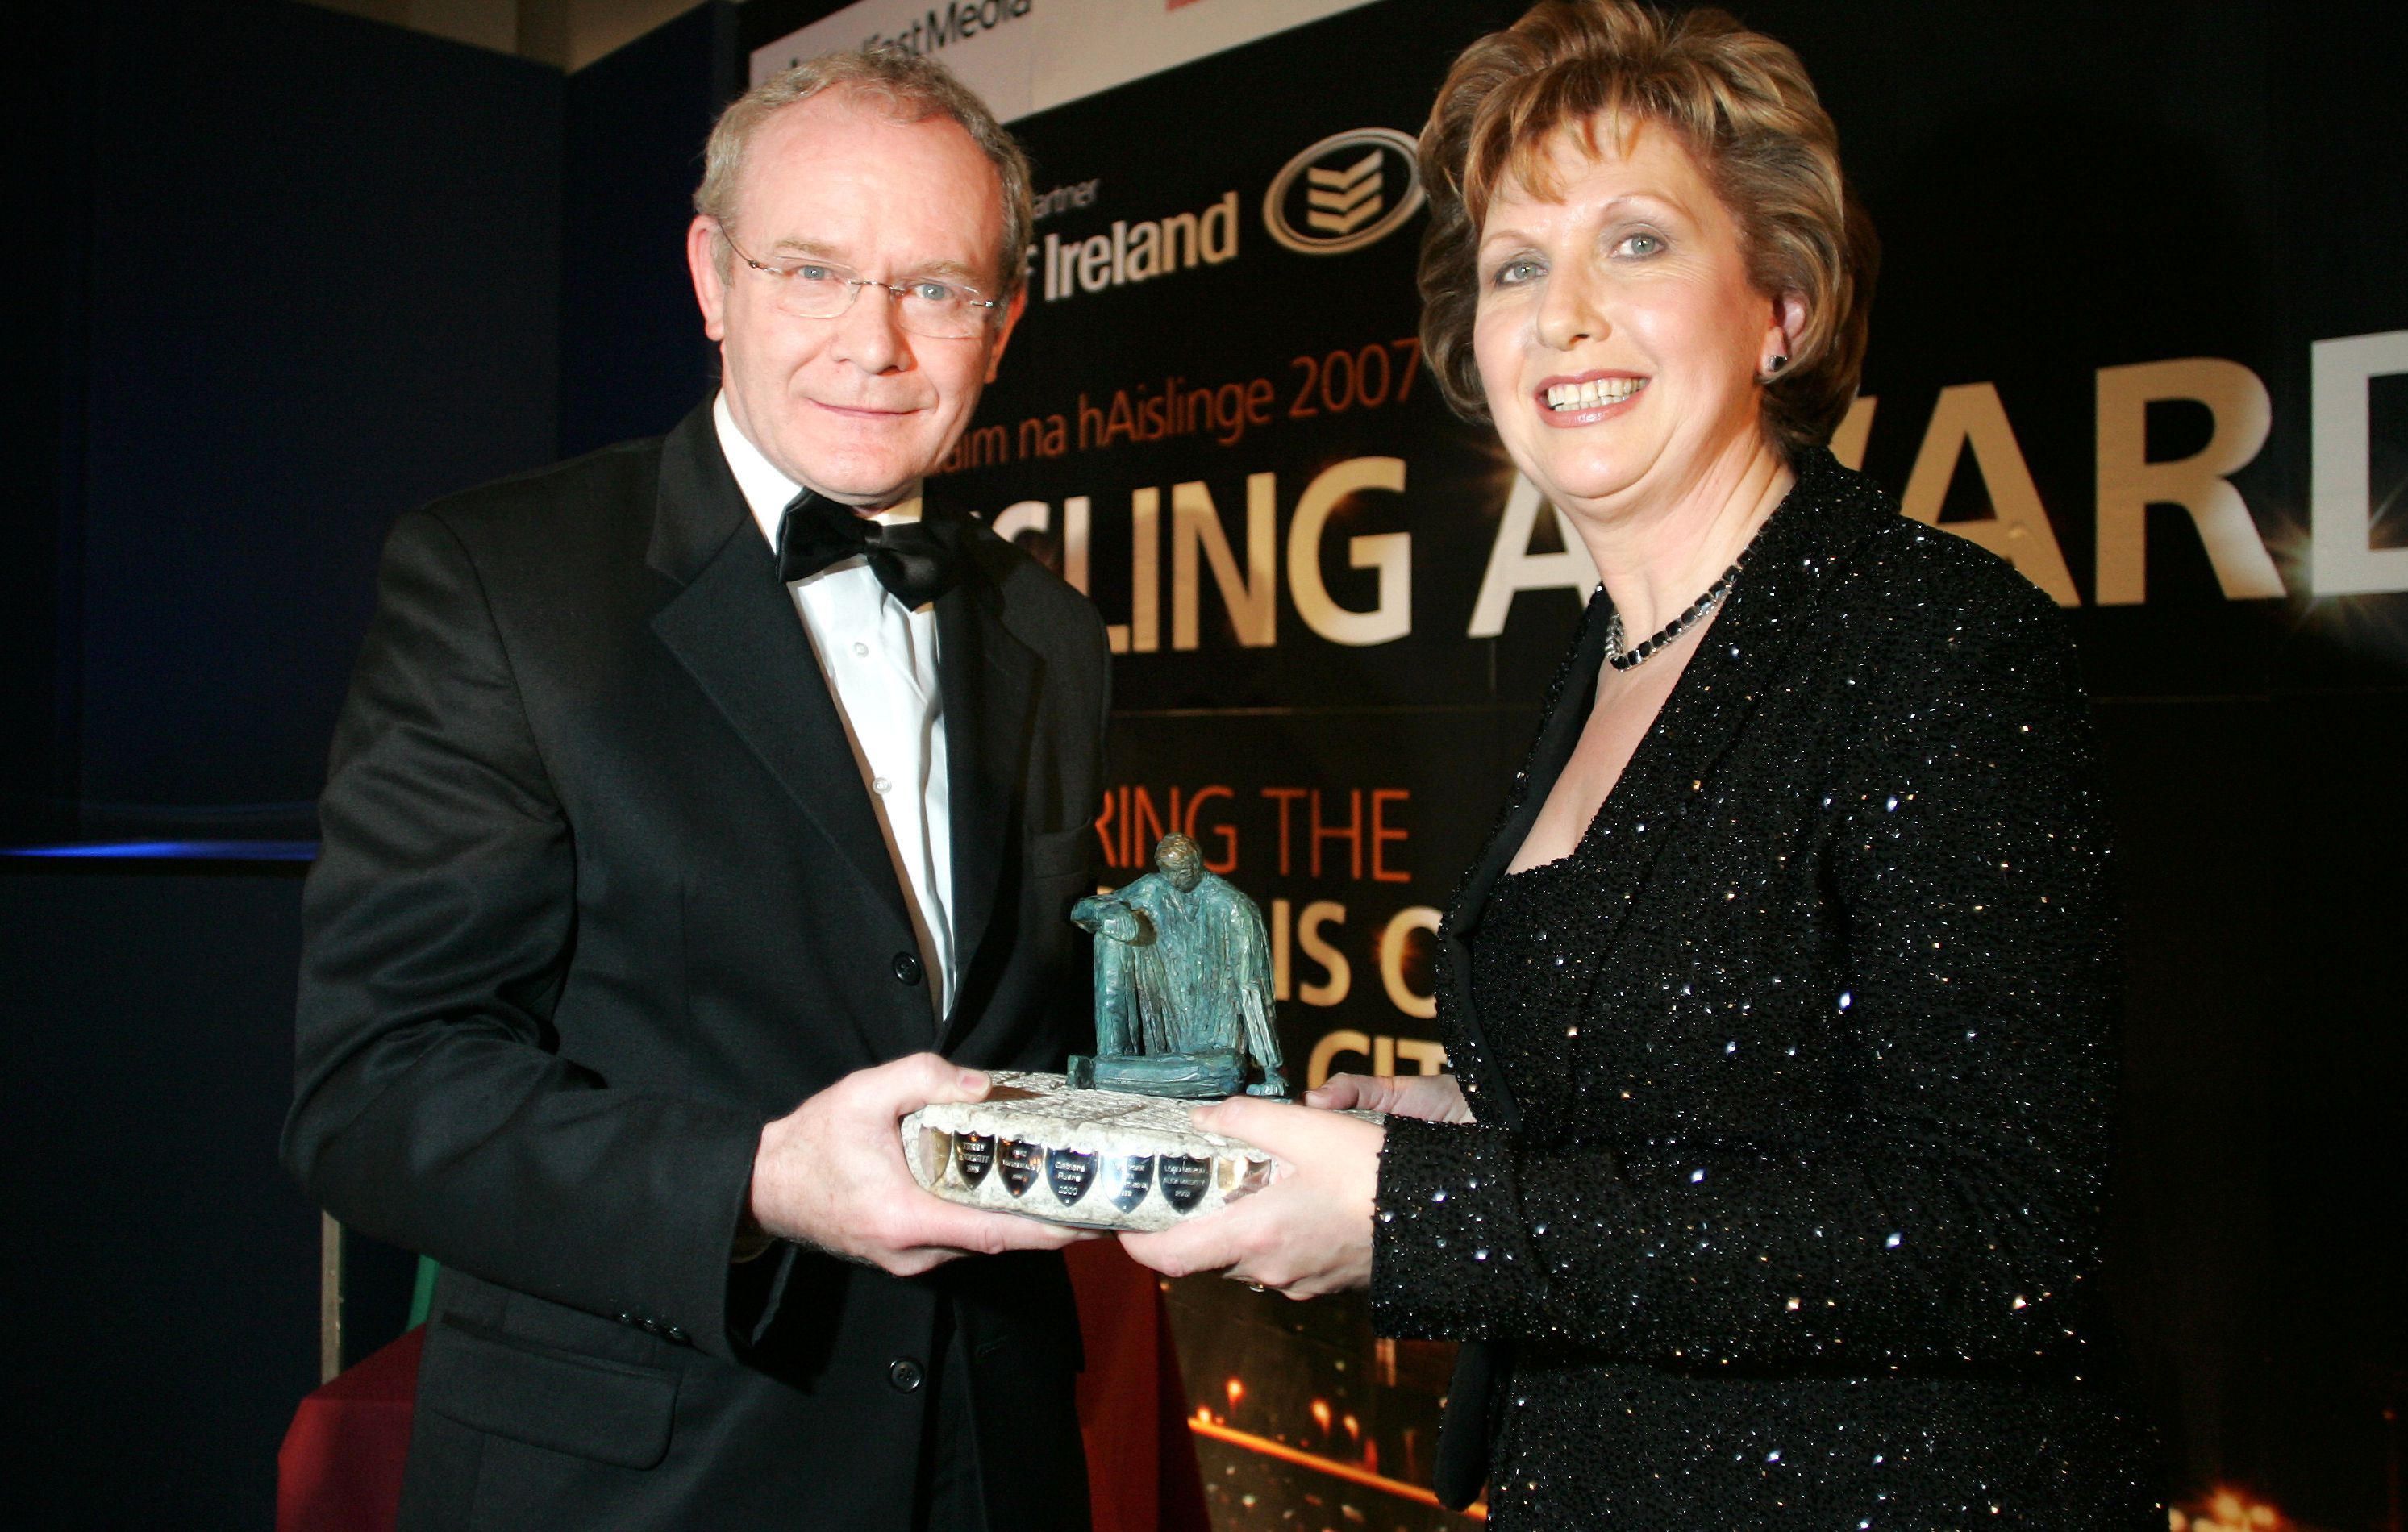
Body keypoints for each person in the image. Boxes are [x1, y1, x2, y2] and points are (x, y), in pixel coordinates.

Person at [1118, 4, 2162, 1526]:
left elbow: (1993, 1235)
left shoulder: (1935, 643)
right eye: (1517, 266)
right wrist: (1461, 1129)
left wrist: (1415, 1215)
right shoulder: (1613, 651)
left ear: (1780, 306)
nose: (1563, 315)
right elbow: (1735, 1098)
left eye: (1636, 244)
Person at [282, 45, 1108, 1532]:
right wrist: (763, 1179)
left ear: (1002, 326)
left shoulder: (1050, 629)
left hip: (992, 1470)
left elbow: (1017, 1025)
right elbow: (374, 1092)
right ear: (711, 276)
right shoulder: (499, 581)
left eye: (935, 288)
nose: (876, 346)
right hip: (641, 1482)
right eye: (812, 270)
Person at [1069, 832, 1287, 1098]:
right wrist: (1108, 912)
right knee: (1109, 937)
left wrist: (1270, 1068)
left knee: (1225, 1073)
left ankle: (1105, 1073)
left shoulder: (1234, 909)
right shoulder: (1154, 889)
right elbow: (1081, 911)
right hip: (1160, 1041)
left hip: (1213, 1053)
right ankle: (1115, 1063)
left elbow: (1252, 989)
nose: (1172, 880)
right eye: (1166, 872)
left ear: (1196, 865)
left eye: (1179, 872)